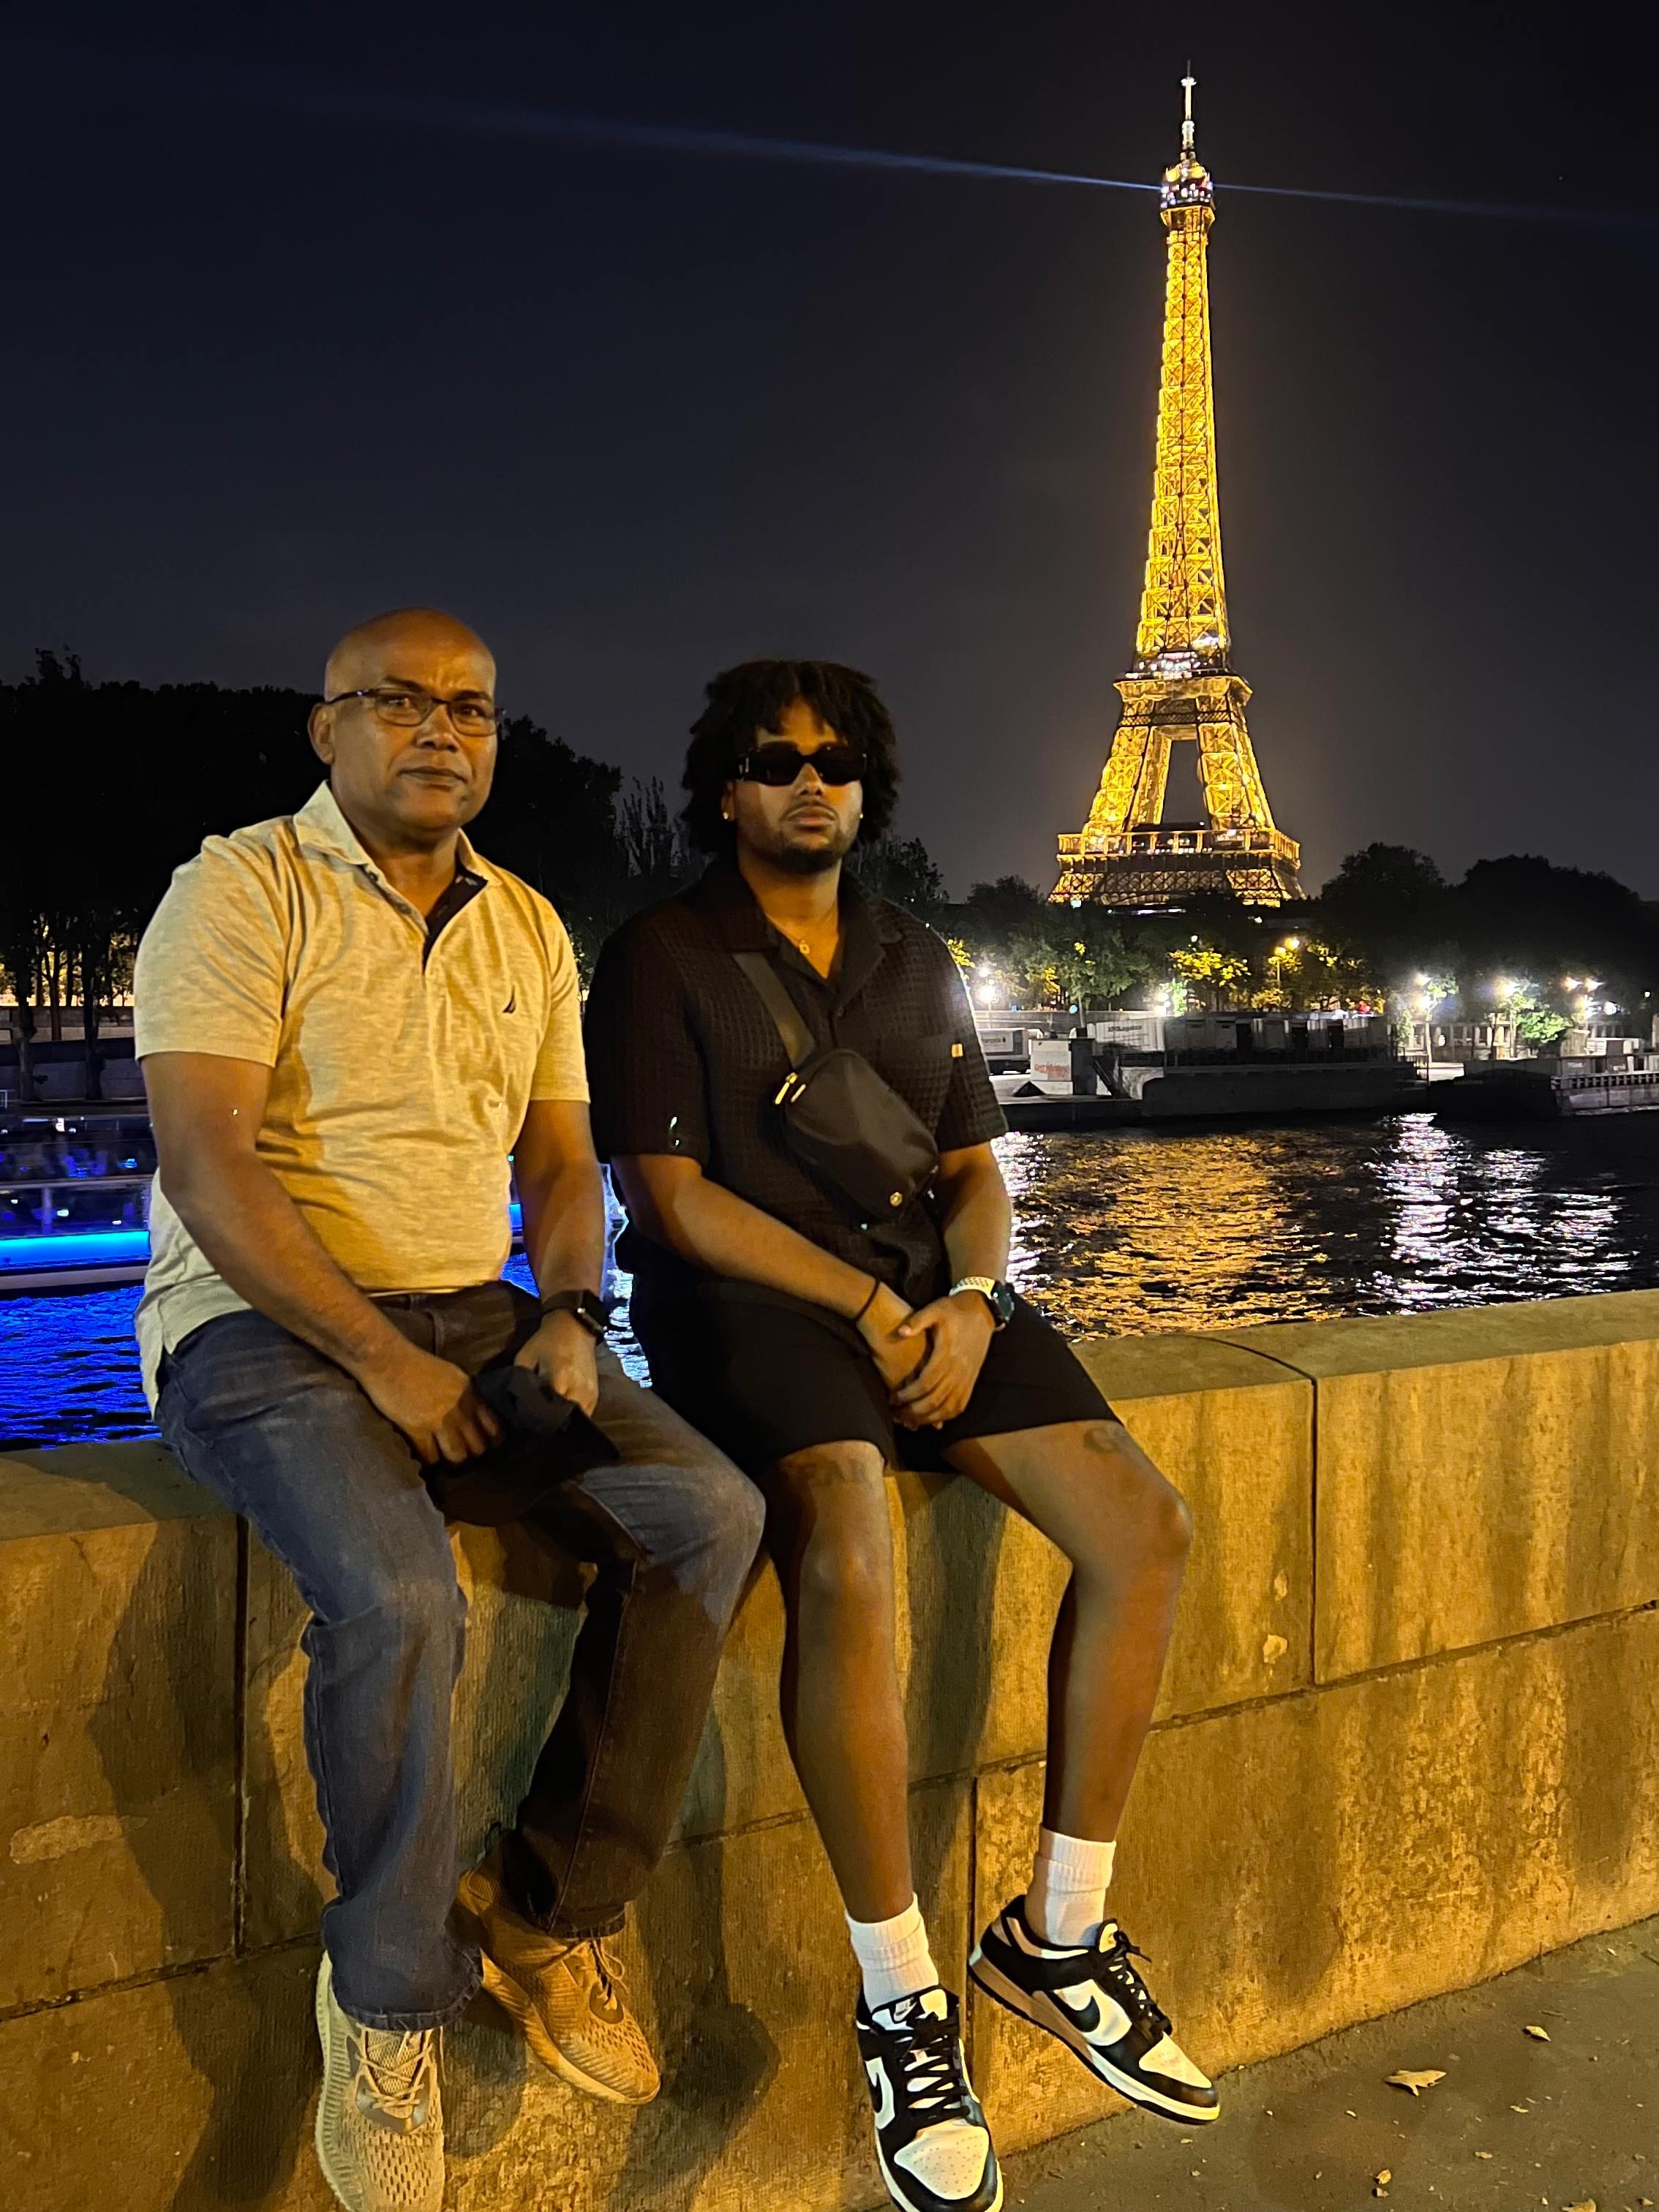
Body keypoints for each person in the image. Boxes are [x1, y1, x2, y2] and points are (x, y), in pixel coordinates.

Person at [133, 609, 764, 2212]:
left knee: (713, 1512)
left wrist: (566, 1314)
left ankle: (548, 1913)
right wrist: (385, 1363)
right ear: (324, 731)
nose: (438, 730)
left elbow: (561, 1165)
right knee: (403, 1597)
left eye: (470, 709)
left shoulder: (529, 926)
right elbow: (212, 1170)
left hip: (477, 1313)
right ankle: (388, 2007)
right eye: (397, 702)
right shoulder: (238, 890)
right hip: (255, 1327)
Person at [584, 660, 1218, 2212]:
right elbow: (668, 1204)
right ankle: (900, 2002)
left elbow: (971, 1168)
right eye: (775, 759)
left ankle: (1058, 1937)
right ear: (724, 788)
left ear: (867, 794)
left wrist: (981, 1299)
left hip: (931, 1305)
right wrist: (874, 1319)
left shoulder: (913, 955)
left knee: (1146, 1531)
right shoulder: (662, 955)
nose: (811, 782)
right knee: (848, 1537)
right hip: (752, 1313)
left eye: (838, 762)